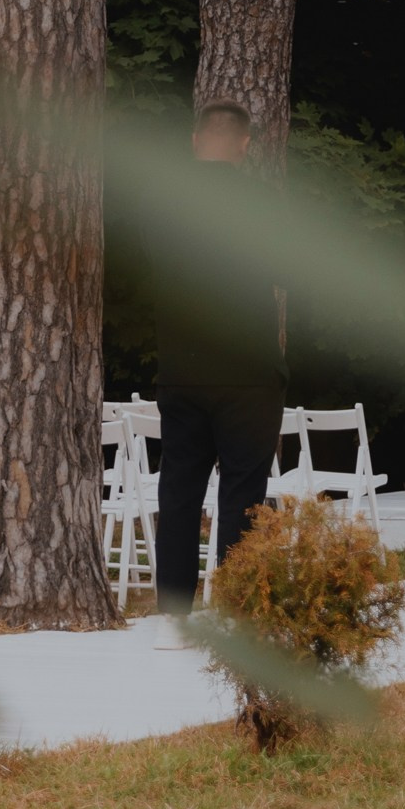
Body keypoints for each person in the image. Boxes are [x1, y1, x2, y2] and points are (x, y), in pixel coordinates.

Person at [151, 100, 286, 618]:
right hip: (248, 372)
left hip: (183, 369)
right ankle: (235, 610)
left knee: (179, 492)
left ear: (194, 141)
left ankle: (174, 615)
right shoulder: (263, 203)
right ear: (246, 145)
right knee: (244, 495)